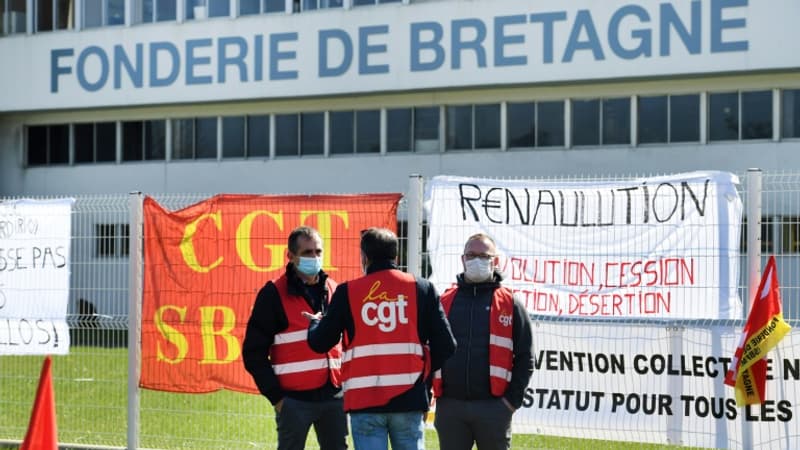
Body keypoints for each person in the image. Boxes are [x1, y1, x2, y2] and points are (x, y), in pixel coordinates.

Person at [304, 227, 456, 450]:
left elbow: (320, 343)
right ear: (395, 256)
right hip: (410, 397)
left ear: (364, 257)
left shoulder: (348, 292)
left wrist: (315, 323)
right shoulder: (422, 289)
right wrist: (423, 375)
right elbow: (447, 345)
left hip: (365, 401)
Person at [242, 226, 347, 450]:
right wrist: (278, 399)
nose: (314, 257)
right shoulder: (272, 294)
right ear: (290, 256)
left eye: (318, 252)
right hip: (293, 400)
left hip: (333, 397)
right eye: (307, 253)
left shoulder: (334, 290)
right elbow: (253, 353)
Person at [432, 233, 534, 450]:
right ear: (462, 259)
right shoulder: (445, 301)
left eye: (483, 256)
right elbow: (431, 352)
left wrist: (510, 403)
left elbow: (527, 357)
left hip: (494, 407)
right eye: (471, 255)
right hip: (451, 408)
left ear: (495, 261)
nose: (477, 260)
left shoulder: (510, 303)